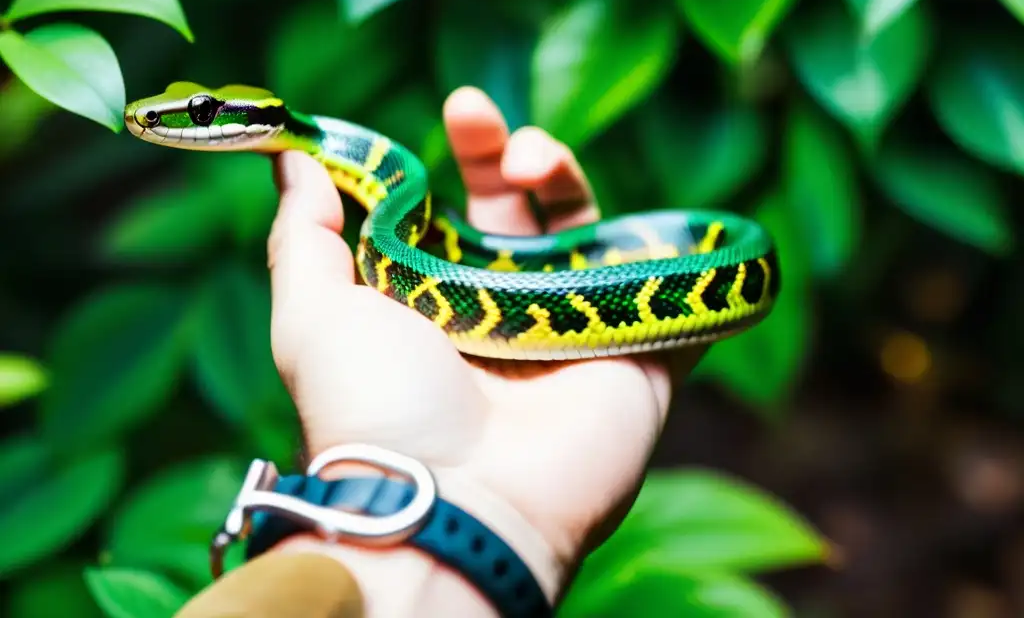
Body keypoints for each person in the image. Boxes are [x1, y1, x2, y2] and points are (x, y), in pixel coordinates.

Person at [176, 88, 704, 617]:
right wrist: (479, 503)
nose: (159, 118)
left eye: (202, 113)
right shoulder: (383, 206)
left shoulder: (392, 215)